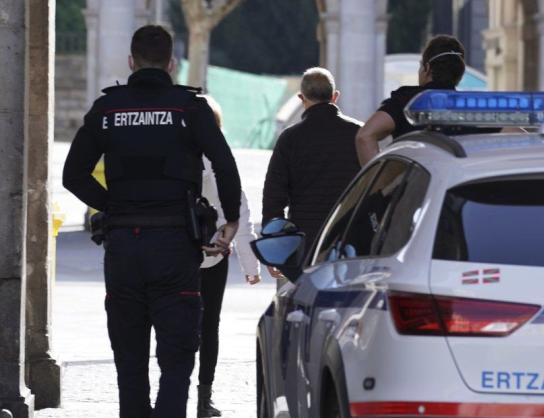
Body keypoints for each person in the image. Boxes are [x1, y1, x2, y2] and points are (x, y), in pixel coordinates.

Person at [62, 25, 241, 418]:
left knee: (130, 362)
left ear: (131, 61)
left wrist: (113, 204)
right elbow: (224, 166)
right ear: (172, 64)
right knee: (176, 362)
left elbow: (72, 175)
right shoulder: (189, 108)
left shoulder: (107, 110)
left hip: (124, 245)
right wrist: (230, 220)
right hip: (176, 247)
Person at [197, 95, 261, 417]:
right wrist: (251, 267)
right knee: (210, 326)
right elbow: (242, 215)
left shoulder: (179, 155)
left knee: (174, 325)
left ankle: (173, 390)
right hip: (215, 256)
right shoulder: (222, 161)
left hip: (177, 253)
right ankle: (203, 397)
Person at [262, 67, 361, 271]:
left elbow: (274, 195)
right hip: (349, 236)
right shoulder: (359, 134)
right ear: (335, 96)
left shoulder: (290, 138)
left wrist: (274, 245)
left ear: (301, 97)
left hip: (304, 240)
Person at [355, 35, 467, 165]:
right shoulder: (474, 107)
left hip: (415, 183)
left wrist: (381, 182)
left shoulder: (407, 100)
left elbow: (365, 136)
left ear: (427, 68)